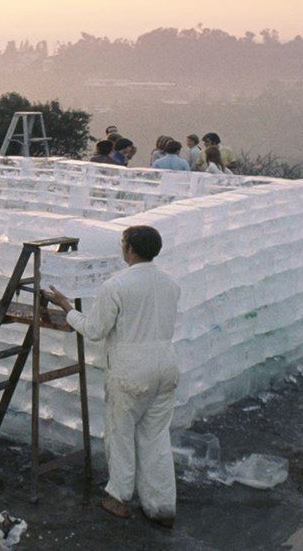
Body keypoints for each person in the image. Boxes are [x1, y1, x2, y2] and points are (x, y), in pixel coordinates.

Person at [45, 225, 181, 528]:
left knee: (121, 434)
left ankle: (118, 497)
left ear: (129, 249)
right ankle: (161, 507)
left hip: (131, 368)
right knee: (156, 436)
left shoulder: (117, 285)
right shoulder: (171, 283)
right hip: (166, 364)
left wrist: (68, 309)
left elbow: (95, 331)